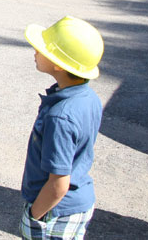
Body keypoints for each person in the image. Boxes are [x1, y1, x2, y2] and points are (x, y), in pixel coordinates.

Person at [20, 16, 104, 240]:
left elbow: (58, 183)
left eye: (40, 49)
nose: (35, 52)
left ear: (58, 64)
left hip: (55, 211)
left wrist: (35, 215)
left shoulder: (60, 117)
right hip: (78, 201)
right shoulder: (89, 98)